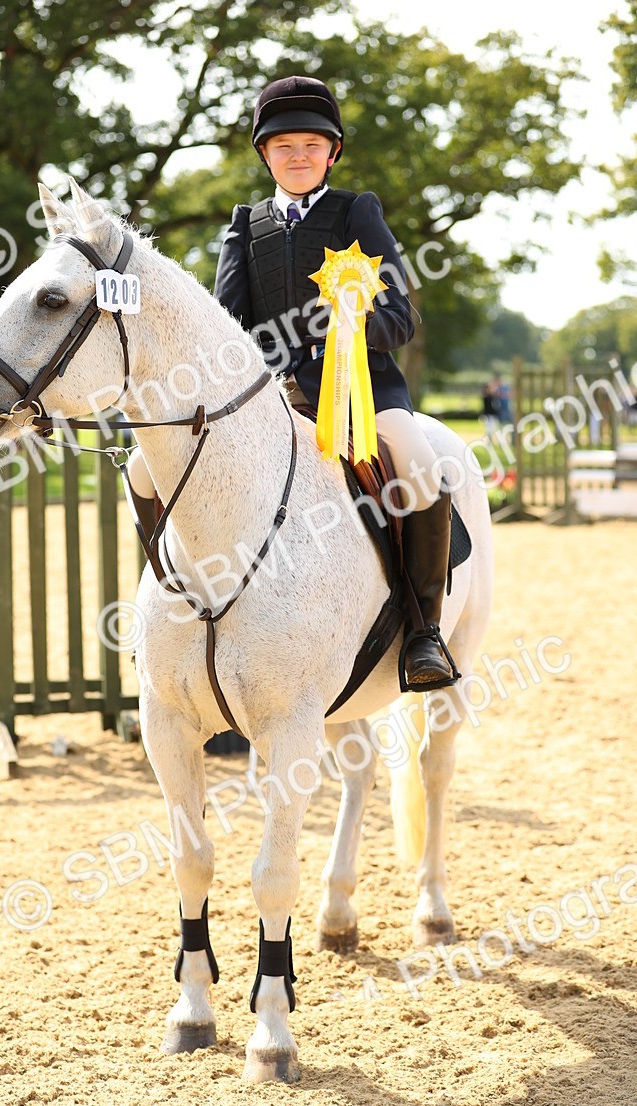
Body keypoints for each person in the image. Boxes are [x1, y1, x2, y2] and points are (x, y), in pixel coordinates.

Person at [130, 75, 457, 691]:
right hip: (270, 398)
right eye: (284, 146)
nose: (298, 155)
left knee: (418, 466)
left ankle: (423, 633)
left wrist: (352, 322)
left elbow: (401, 319)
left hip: (365, 392)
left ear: (332, 153)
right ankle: (165, 618)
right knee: (143, 470)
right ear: (265, 155)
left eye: (312, 144)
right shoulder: (243, 225)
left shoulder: (357, 211)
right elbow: (229, 332)